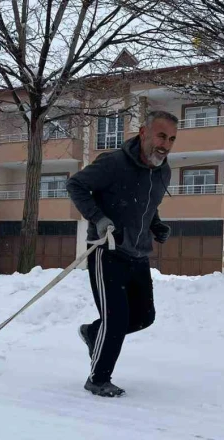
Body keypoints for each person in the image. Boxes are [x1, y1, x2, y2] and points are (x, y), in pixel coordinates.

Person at [66, 111, 177, 397]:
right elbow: (76, 185)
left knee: (143, 316)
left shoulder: (163, 170)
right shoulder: (113, 163)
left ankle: (94, 333)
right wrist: (98, 218)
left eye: (172, 139)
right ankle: (98, 378)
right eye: (161, 136)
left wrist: (156, 225)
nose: (166, 144)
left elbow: (146, 205)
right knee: (115, 317)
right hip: (108, 250)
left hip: (138, 254)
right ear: (143, 133)